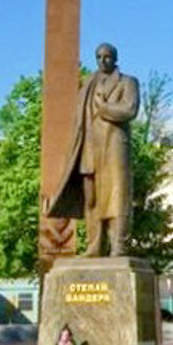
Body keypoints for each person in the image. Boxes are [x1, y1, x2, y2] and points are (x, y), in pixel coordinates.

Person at [46, 42, 140, 256]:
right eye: (98, 57)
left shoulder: (128, 82)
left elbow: (129, 109)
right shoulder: (88, 84)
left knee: (118, 196)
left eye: (107, 57)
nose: (102, 61)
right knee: (92, 199)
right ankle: (94, 246)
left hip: (115, 146)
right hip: (89, 148)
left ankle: (118, 246)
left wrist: (104, 108)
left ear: (115, 59)